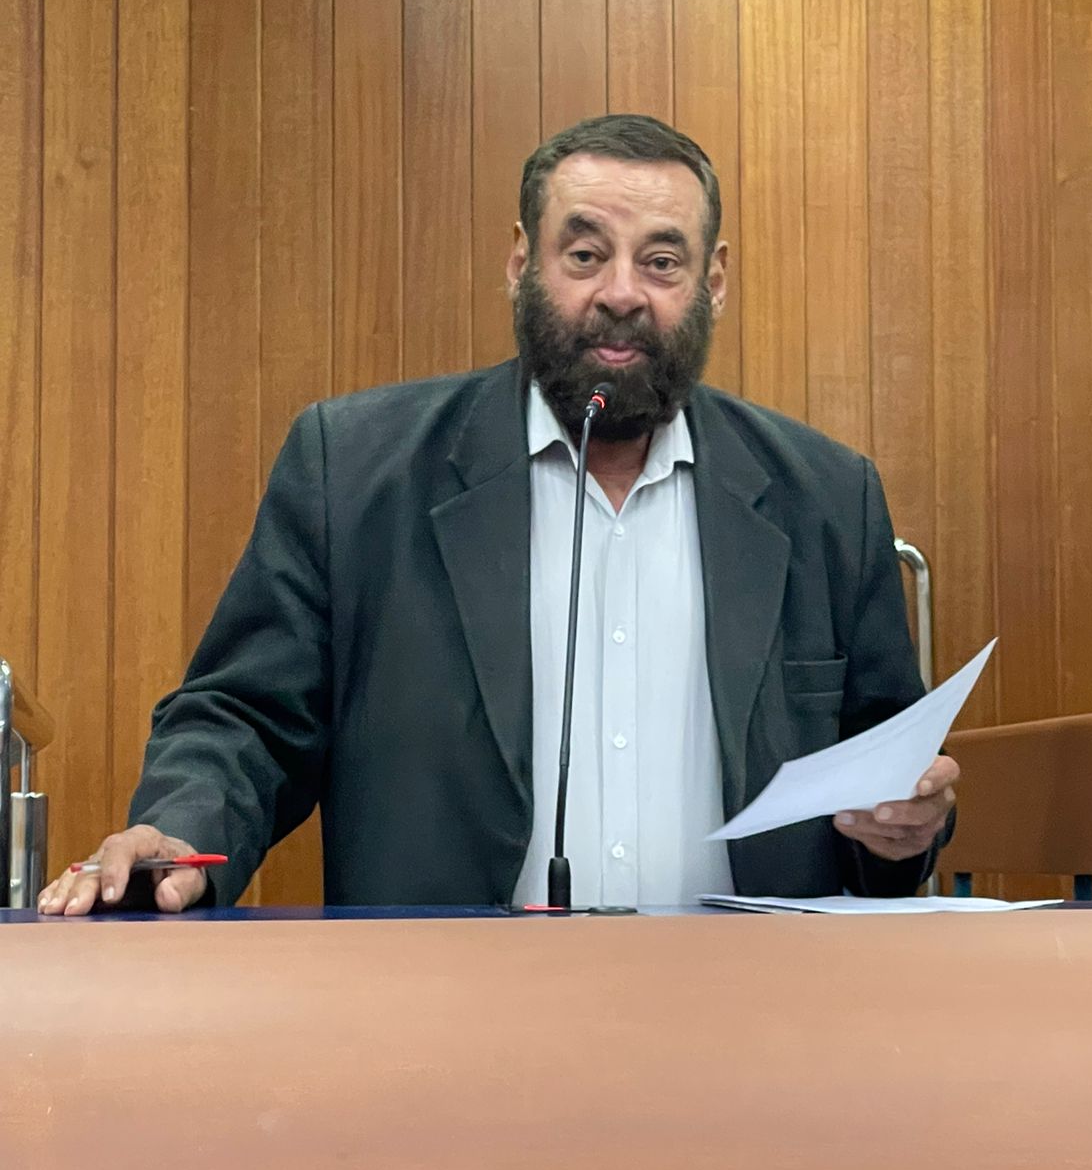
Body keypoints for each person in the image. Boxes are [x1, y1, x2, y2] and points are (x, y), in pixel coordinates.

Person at [39, 114, 958, 917]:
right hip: (446, 1016)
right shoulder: (354, 471)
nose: (622, 293)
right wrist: (180, 828)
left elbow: (887, 786)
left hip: (756, 1013)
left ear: (713, 280)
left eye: (662, 261)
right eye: (585, 255)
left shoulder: (827, 497)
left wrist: (904, 831)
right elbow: (246, 718)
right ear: (522, 263)